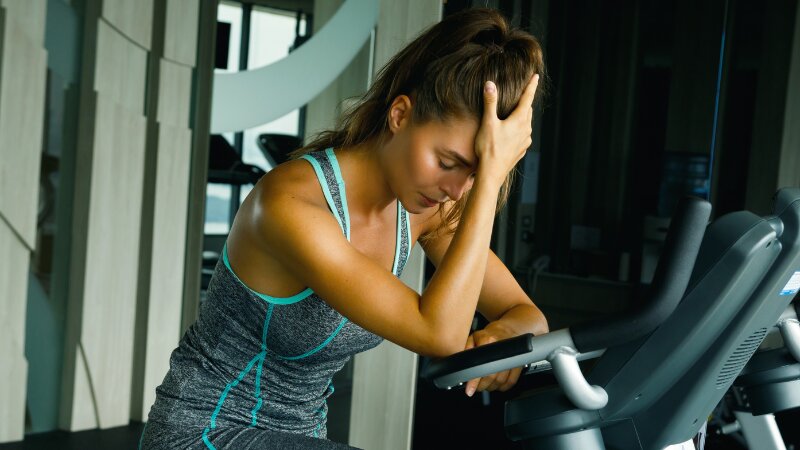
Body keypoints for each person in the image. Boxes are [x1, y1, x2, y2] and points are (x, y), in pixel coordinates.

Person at [140, 7, 548, 450]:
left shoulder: (425, 209)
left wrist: (507, 335)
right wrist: (489, 176)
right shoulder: (290, 206)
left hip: (300, 435)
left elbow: (527, 315)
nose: (455, 190)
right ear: (400, 115)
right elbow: (440, 334)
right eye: (448, 163)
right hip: (201, 431)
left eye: (471, 174)